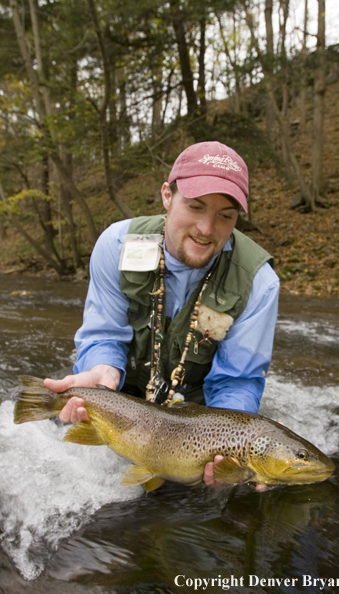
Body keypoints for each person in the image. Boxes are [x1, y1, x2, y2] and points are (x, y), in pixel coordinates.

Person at [44, 140, 280, 489]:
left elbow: (237, 382)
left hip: (196, 427)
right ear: (167, 196)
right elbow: (105, 335)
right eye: (195, 207)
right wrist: (99, 372)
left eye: (225, 216)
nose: (206, 228)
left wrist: (228, 447)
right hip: (126, 407)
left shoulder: (259, 282)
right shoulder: (116, 245)